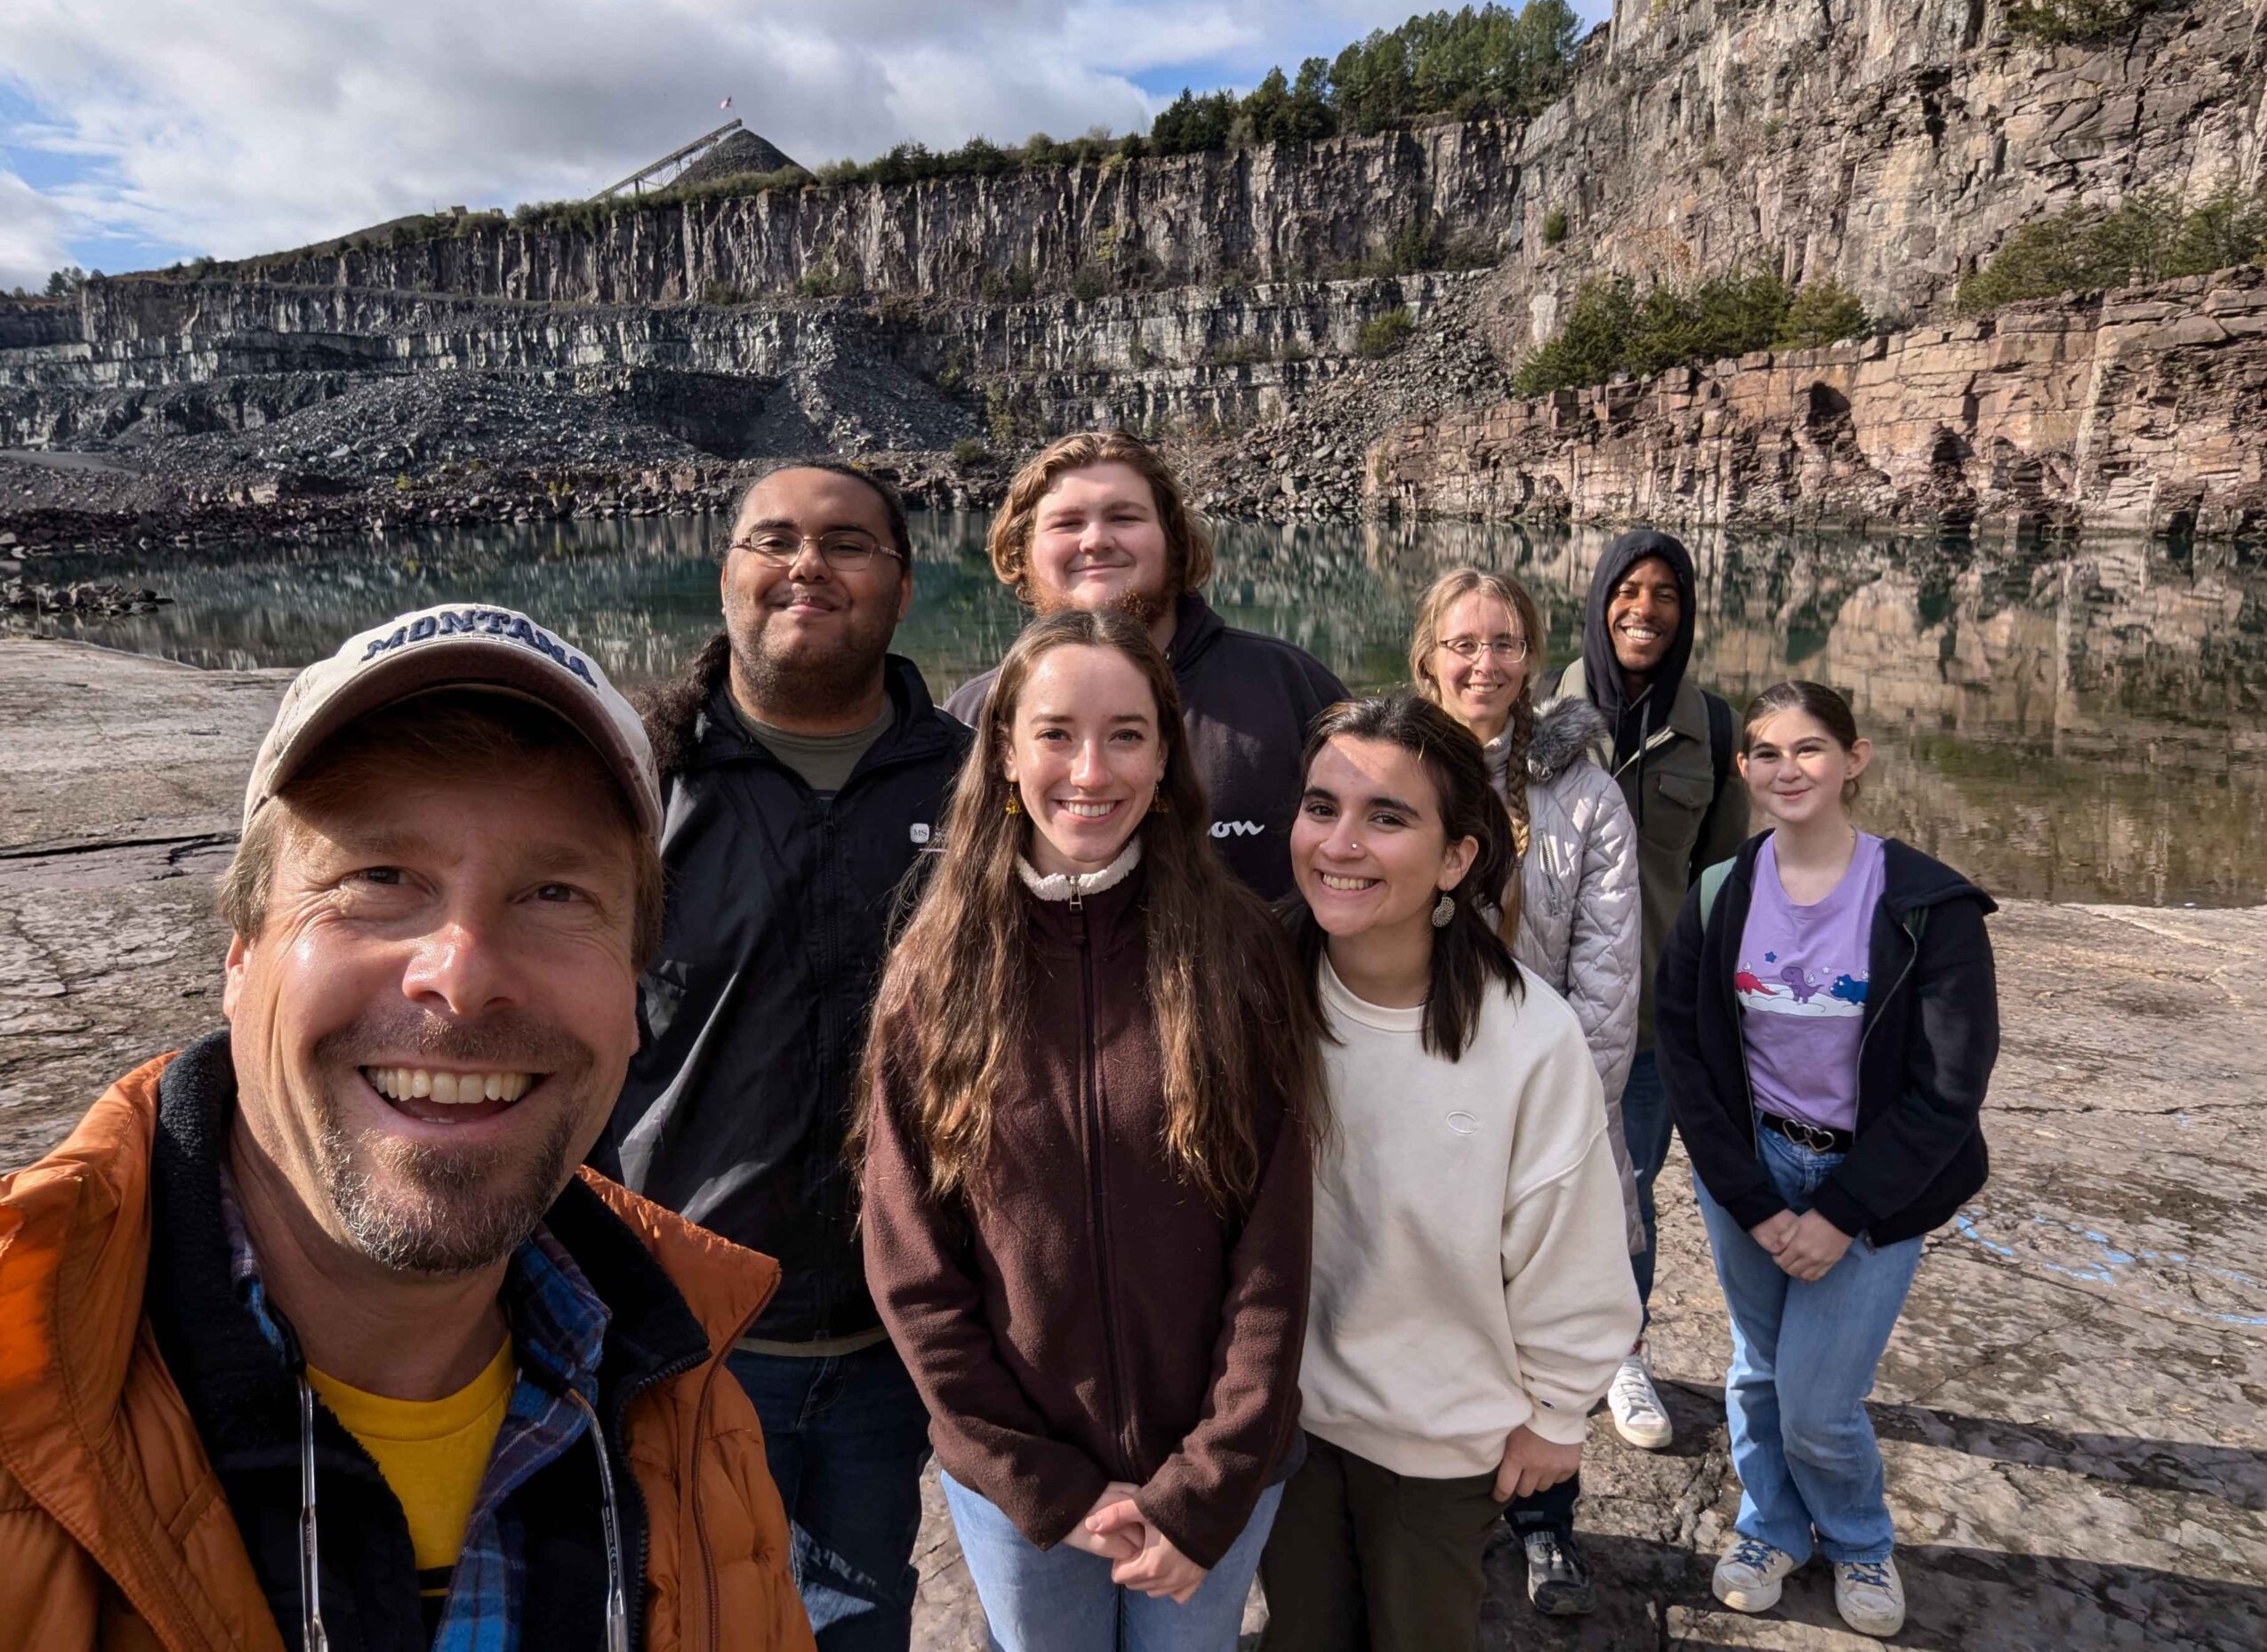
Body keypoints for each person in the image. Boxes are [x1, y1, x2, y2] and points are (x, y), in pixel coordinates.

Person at [0, 603, 812, 1652]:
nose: (463, 975)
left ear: (631, 986)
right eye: (378, 879)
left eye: (555, 892)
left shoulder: (693, 1399)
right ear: (240, 956)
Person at [859, 608, 1319, 1652]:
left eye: (1126, 734)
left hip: (1213, 1480)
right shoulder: (935, 972)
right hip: (1020, 1494)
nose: (1089, 769)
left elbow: (1275, 1253)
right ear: (1006, 753)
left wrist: (1208, 1484)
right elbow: (913, 1271)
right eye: (1057, 732)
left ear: (1166, 759)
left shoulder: (1237, 953)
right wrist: (1045, 1486)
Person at [593, 464, 970, 1651]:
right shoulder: (631, 779)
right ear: (727, 574)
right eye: (776, 540)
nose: (809, 563)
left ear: (903, 586)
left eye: (848, 543)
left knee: (863, 1616)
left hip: (890, 1337)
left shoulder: (975, 791)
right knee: (686, 1615)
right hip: (687, 1341)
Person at [1258, 695, 1641, 1652]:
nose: (1340, 843)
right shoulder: (1254, 986)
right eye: (1320, 807)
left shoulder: (1527, 1034)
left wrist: (1557, 1411)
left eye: (1388, 817)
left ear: (1458, 857)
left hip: (1440, 1443)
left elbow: (1569, 1240)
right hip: (1283, 1419)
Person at [1657, 681, 1998, 1640]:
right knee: (1758, 1369)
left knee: (1816, 1402)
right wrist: (1751, 1198)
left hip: (1875, 1186)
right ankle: (1772, 1528)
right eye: (1764, 752)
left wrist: (1842, 1209)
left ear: (1855, 759)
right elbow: (1686, 1053)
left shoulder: (1927, 905)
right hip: (1755, 1172)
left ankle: (1857, 1538)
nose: (1786, 769)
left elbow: (1948, 1087)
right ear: (1743, 771)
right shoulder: (1721, 894)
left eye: (1809, 749)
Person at [1410, 568, 1642, 1617]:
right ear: (1427, 657)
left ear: (1531, 657)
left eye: (1503, 644)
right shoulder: (1390, 766)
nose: (1483, 664)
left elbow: (1605, 971)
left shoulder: (1584, 794)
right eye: (1463, 644)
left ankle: (1546, 1521)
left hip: (1536, 1099)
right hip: (1411, 1085)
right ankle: (1429, 1505)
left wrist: (1577, 1124)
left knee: (1540, 1303)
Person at [944, 429, 1347, 900]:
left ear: (1173, 540)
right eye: (1067, 523)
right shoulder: (975, 713)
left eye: (1124, 517)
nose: (1095, 540)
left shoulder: (1289, 686)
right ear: (1024, 551)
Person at [1548, 529, 1750, 1446]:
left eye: (1666, 593)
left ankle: (1621, 1355)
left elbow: (1723, 882)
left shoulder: (1712, 725)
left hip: (1649, 1022)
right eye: (1628, 590)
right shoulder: (1544, 714)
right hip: (1538, 1010)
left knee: (1625, 1184)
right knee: (1520, 1185)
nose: (1645, 609)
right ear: (1598, 600)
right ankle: (1528, 1348)